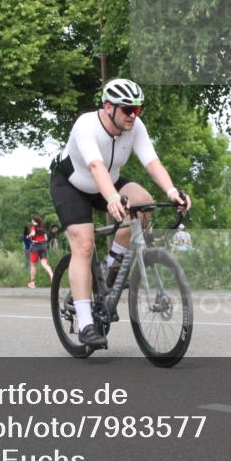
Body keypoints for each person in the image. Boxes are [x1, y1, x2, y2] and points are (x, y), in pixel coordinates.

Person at [49, 78, 191, 347]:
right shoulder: (86, 125)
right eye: (128, 109)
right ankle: (86, 322)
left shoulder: (134, 127)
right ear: (108, 107)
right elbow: (94, 166)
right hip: (72, 184)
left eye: (138, 109)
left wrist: (173, 192)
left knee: (144, 205)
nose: (134, 115)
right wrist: (112, 197)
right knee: (84, 243)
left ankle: (110, 267)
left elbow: (152, 161)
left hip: (108, 179)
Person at [27, 216, 54, 288]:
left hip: (35, 246)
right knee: (44, 264)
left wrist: (28, 236)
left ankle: (32, 283)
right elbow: (46, 238)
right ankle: (52, 275)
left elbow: (32, 233)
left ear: (34, 221)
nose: (32, 222)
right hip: (43, 247)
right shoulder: (42, 229)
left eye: (32, 220)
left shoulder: (33, 227)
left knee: (33, 265)